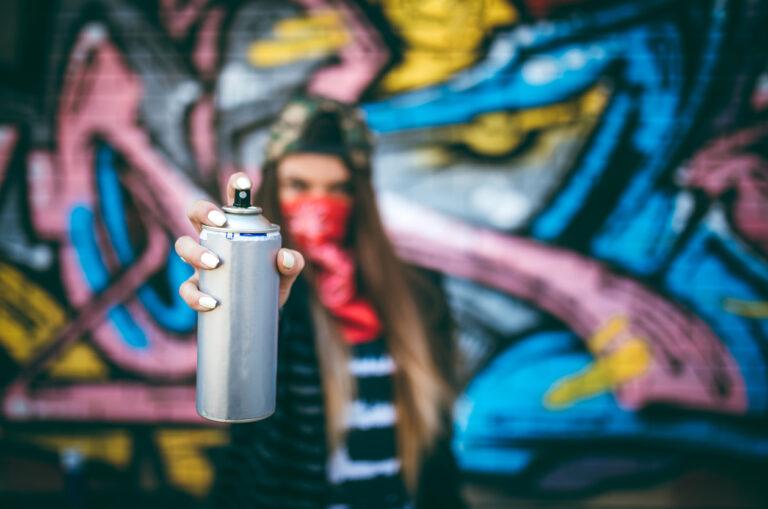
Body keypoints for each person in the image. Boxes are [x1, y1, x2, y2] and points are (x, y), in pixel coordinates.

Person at [175, 96, 466, 509]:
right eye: (299, 185)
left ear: (360, 195)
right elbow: (251, 440)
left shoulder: (421, 294)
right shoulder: (272, 294)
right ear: (275, 186)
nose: (318, 204)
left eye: (338, 188)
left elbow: (439, 455)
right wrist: (235, 298)